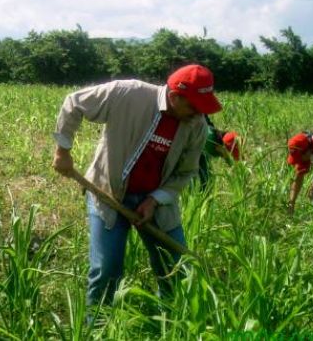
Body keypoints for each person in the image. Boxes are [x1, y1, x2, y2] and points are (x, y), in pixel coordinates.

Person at [51, 64, 222, 307]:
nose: (198, 114)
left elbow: (186, 172)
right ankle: (98, 327)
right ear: (174, 97)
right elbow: (74, 103)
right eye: (193, 106)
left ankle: (170, 320)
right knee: (107, 269)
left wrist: (155, 200)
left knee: (174, 266)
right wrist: (63, 151)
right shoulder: (127, 94)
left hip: (157, 200)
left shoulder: (197, 126)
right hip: (108, 192)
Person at [198, 115, 241, 190]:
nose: (226, 158)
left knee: (207, 182)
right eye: (229, 154)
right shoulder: (206, 140)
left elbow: (233, 164)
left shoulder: (215, 140)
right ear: (221, 148)